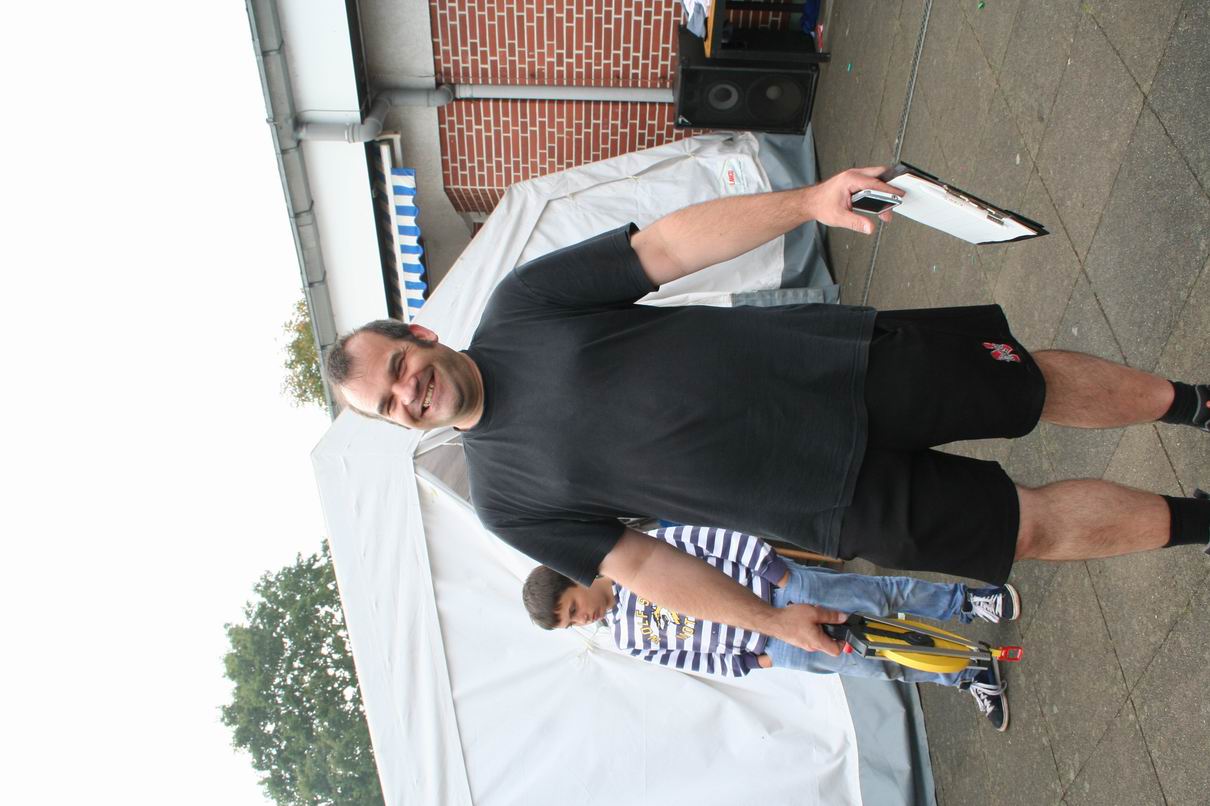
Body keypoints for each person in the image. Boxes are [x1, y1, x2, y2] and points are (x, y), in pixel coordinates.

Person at [324, 166, 1210, 658]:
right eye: (391, 404)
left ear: (420, 333)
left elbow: (666, 248)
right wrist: (769, 618)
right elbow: (640, 563)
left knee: (1031, 386)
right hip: (828, 503)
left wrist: (809, 203)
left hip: (840, 366)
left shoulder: (522, 305)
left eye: (400, 367)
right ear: (397, 424)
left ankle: (1196, 405)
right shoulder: (503, 501)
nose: (409, 391)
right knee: (1026, 530)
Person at [523, 525, 1019, 730]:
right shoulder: (626, 639)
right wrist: (755, 661)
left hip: (779, 588)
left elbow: (707, 540)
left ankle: (969, 602)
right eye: (571, 624)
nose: (581, 620)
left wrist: (775, 571)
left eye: (572, 609)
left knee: (880, 597)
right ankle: (969, 673)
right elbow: (685, 658)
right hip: (776, 646)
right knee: (878, 662)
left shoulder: (635, 554)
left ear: (573, 578)